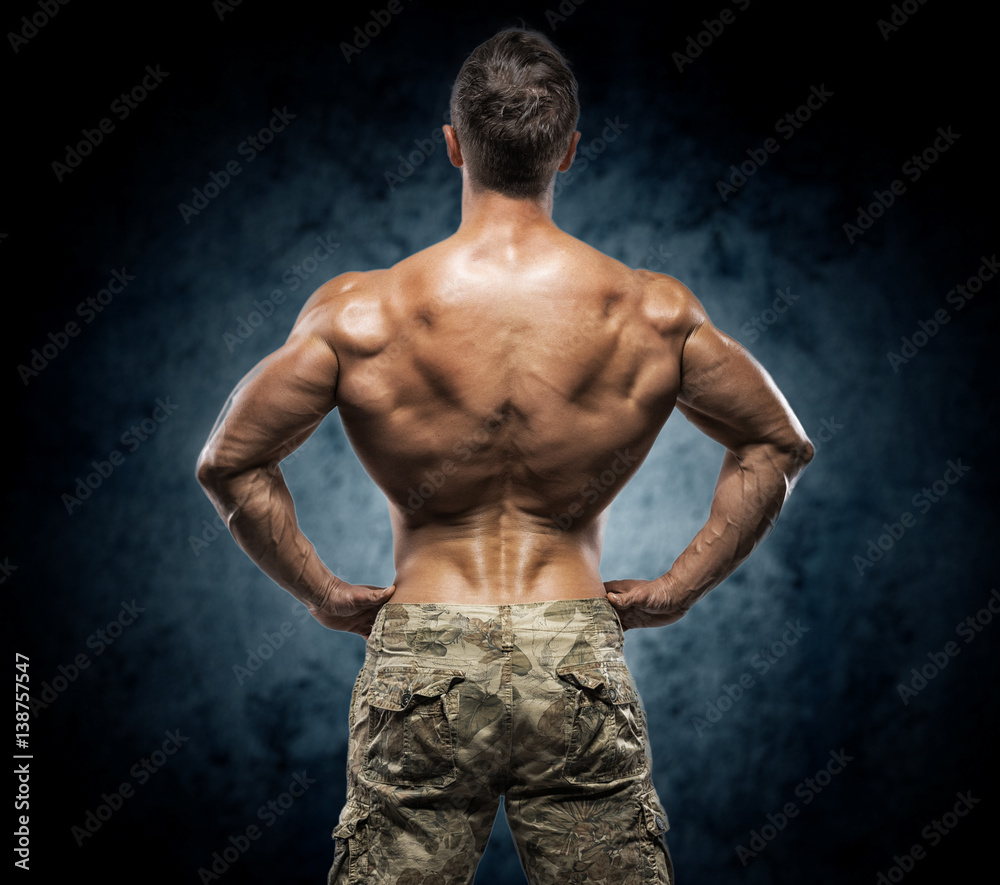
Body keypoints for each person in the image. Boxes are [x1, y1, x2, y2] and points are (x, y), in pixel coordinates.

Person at [196, 26, 813, 885]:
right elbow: (777, 441)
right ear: (568, 149)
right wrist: (676, 588)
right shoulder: (652, 313)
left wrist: (326, 594)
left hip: (421, 656)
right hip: (576, 656)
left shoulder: (361, 314)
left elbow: (229, 462)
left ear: (453, 146)